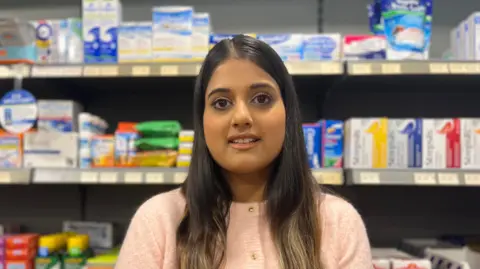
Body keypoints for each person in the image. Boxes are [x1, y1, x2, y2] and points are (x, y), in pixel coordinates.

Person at [115, 35, 372, 269]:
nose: (241, 117)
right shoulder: (158, 220)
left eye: (261, 98)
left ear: (288, 113)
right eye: (221, 103)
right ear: (202, 121)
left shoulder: (339, 222)